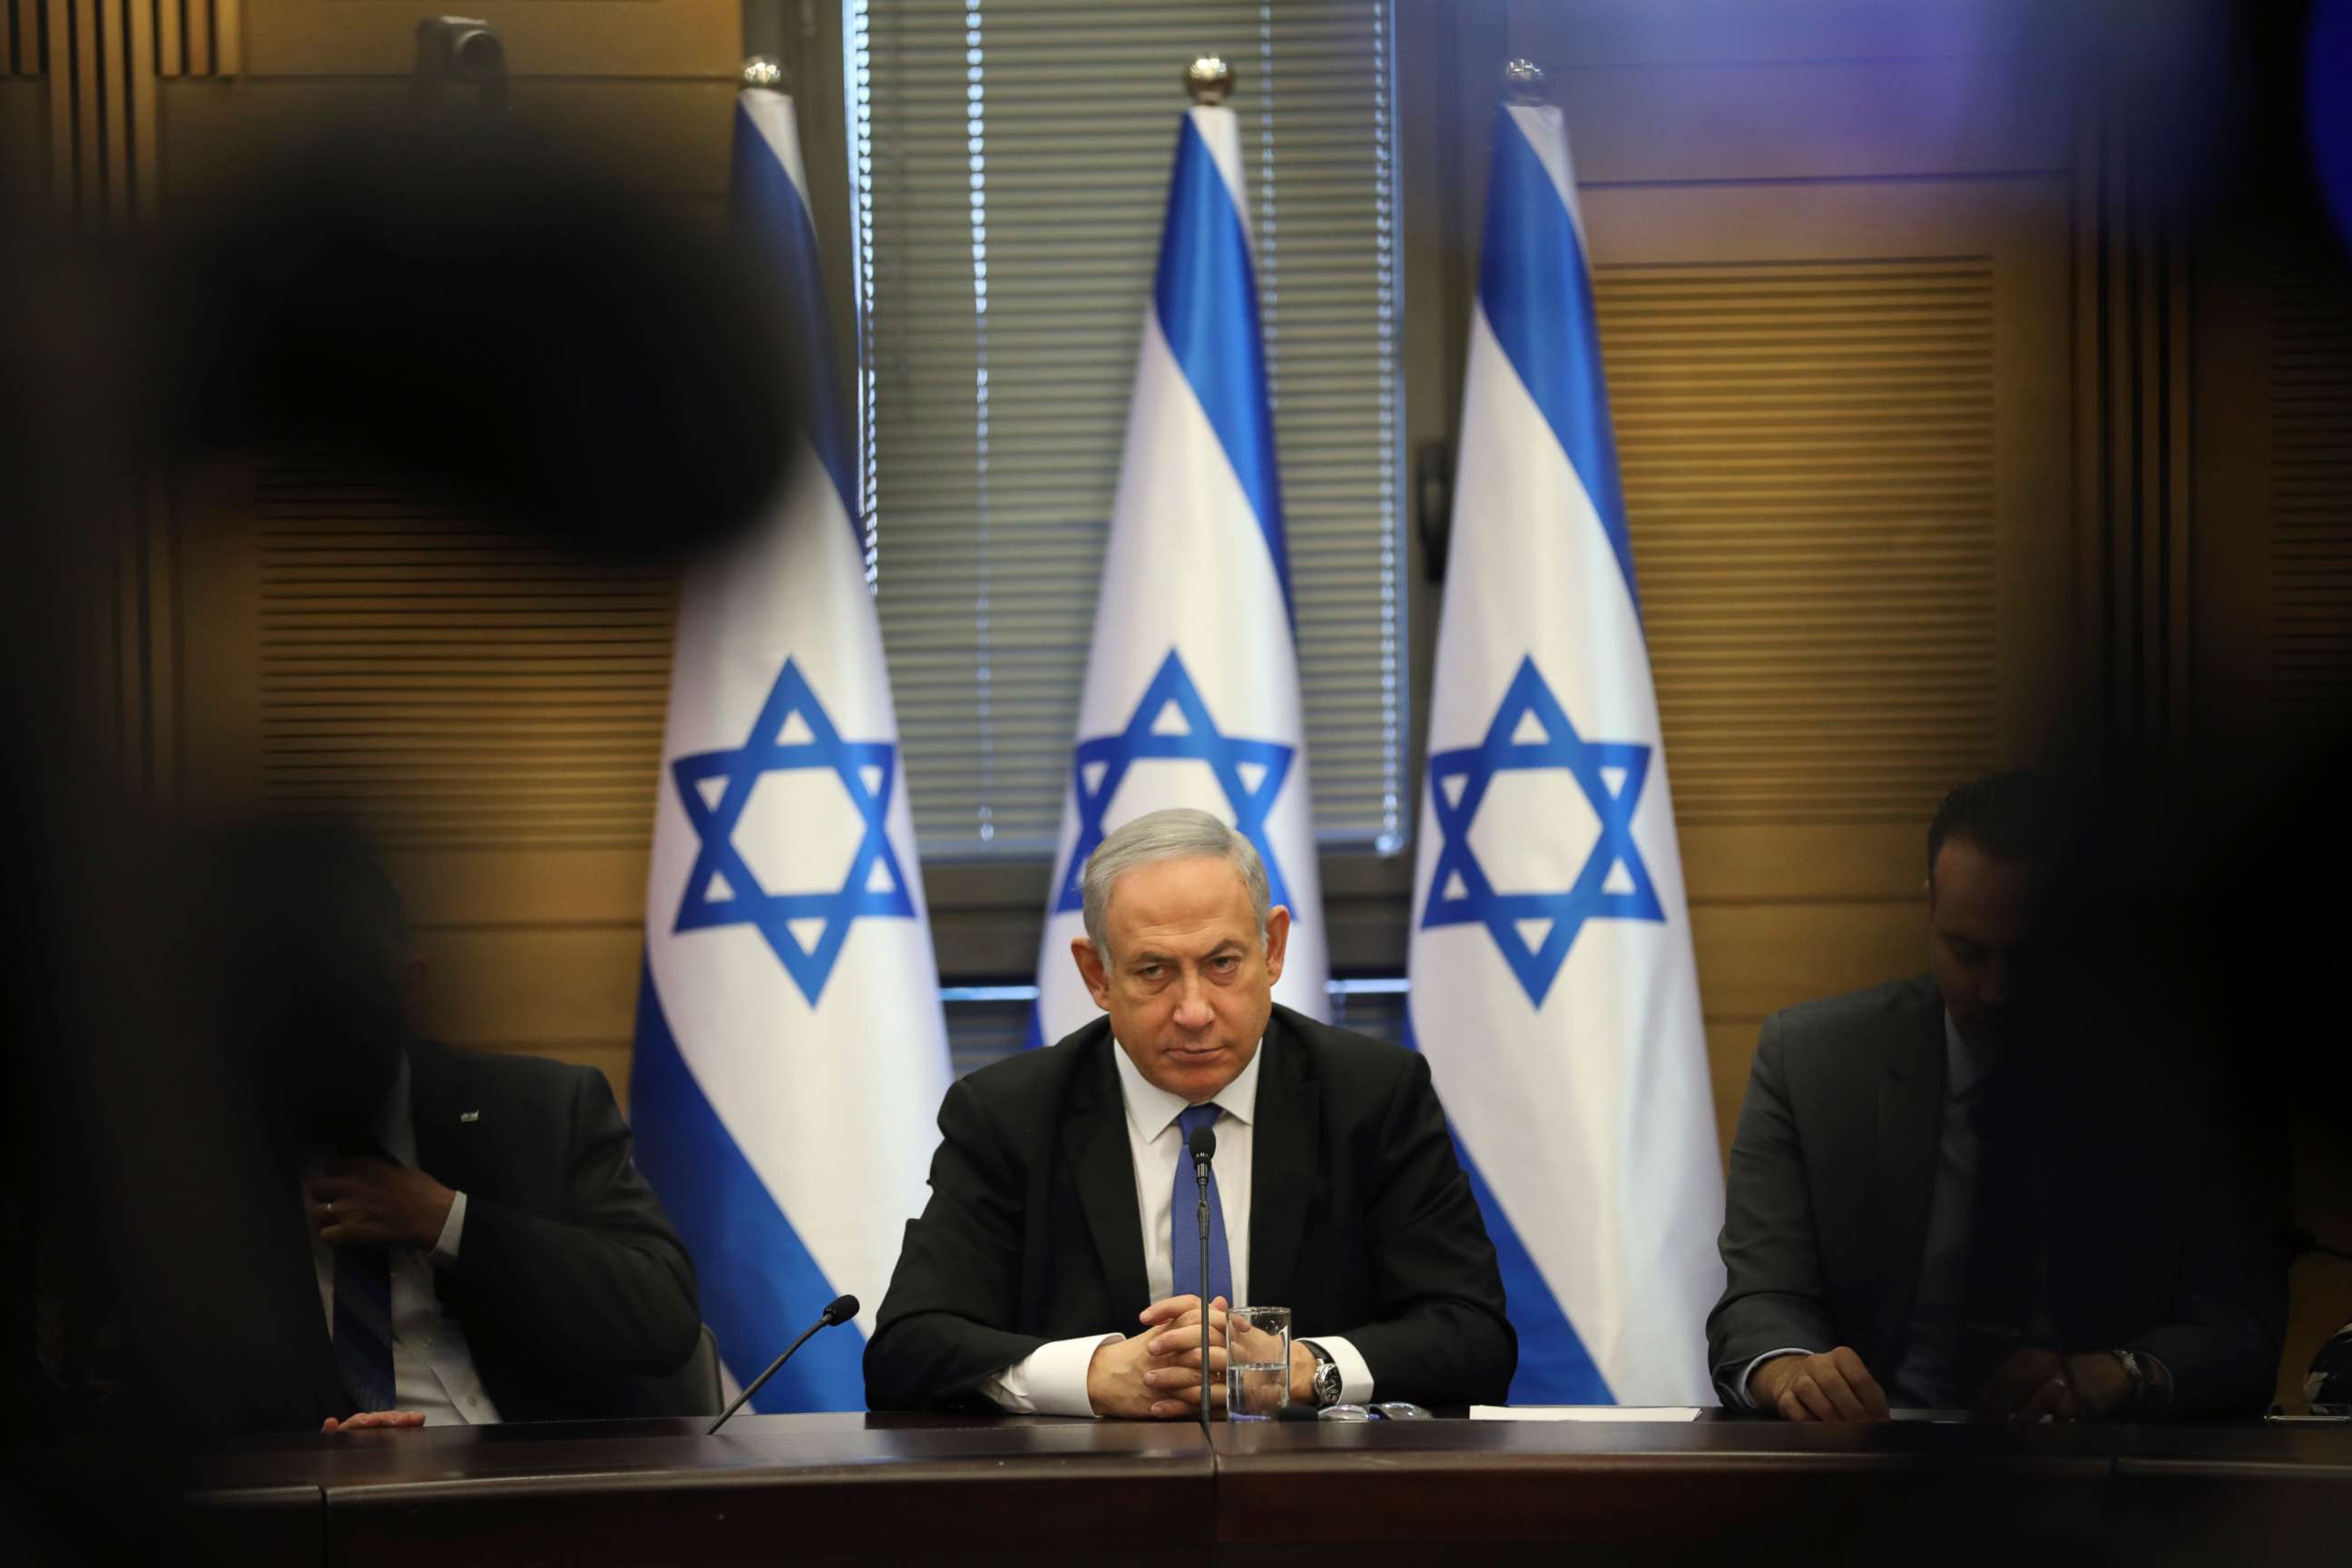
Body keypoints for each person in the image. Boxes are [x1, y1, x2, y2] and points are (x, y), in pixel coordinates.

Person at [866, 808, 1514, 1416]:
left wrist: (1303, 1370)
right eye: (1153, 971)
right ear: (1097, 975)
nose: (1195, 1010)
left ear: (1274, 949)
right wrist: (1092, 1376)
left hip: (1321, 1502)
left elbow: (1475, 1339)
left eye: (1223, 963)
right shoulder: (1011, 1116)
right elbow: (906, 1353)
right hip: (1087, 1506)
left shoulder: (1372, 1097)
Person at [1707, 769, 2283, 1422]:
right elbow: (1758, 1302)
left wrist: (2124, 1374)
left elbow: (2241, 1331)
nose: (1999, 990)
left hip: (2105, 1475)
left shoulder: (2192, 1080)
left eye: (2032, 957)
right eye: (1966, 952)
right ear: (1930, 910)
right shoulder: (1810, 1061)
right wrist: (1789, 1372)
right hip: (1874, 1466)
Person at [271, 848, 703, 1432]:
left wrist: (451, 1222)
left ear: (409, 989)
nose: (317, 1038)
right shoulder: (202, 1161)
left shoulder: (542, 1111)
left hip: (548, 1478)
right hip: (332, 1501)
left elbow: (663, 1316)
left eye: (339, 1002)